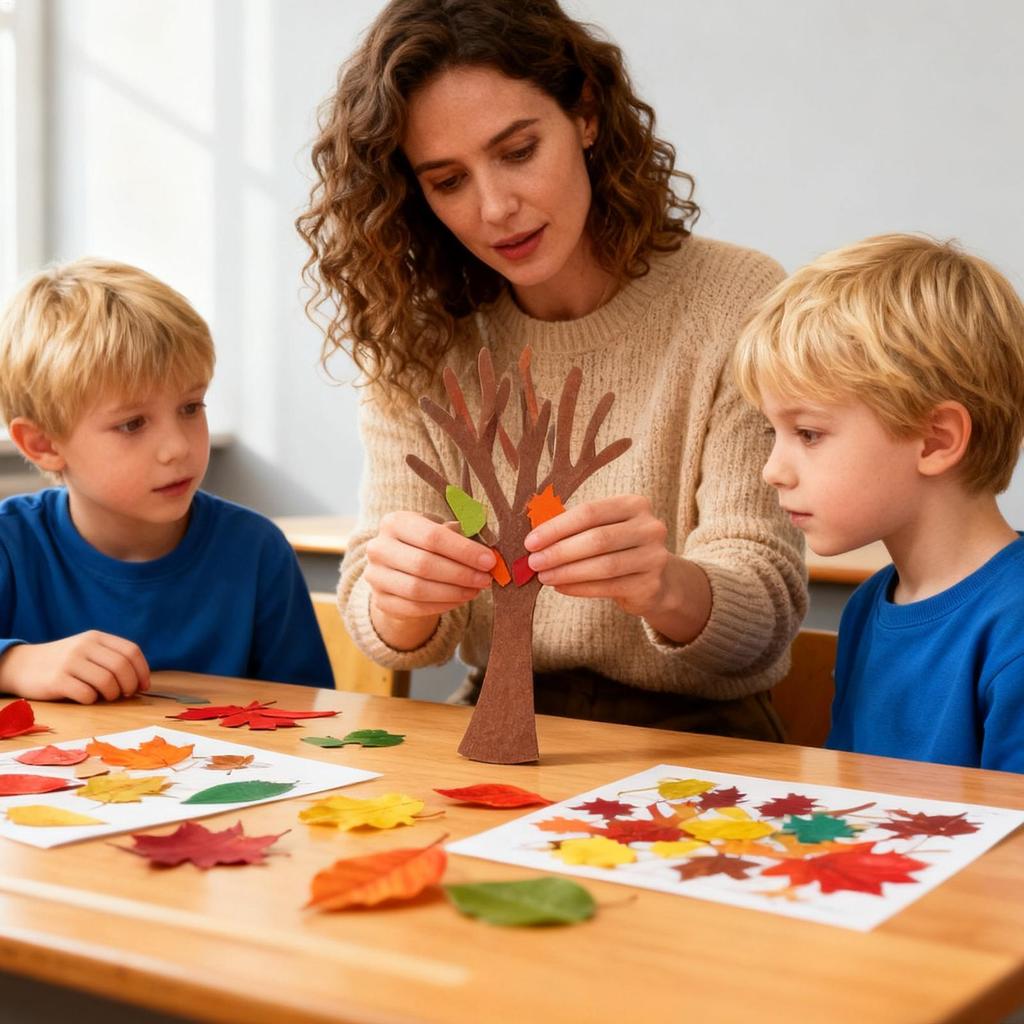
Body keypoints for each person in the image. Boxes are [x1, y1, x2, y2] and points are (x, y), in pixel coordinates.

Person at [296, 0, 806, 739]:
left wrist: (665, 586)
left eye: (518, 151)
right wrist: (400, 597)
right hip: (496, 724)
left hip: (705, 737)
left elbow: (765, 611)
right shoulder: (419, 341)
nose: (496, 207)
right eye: (447, 181)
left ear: (587, 114)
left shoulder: (737, 300)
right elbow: (396, 631)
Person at [733, 233, 1024, 771]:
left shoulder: (1014, 631)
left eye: (809, 434)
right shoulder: (870, 605)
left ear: (935, 440)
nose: (772, 470)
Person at [0, 258, 333, 702]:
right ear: (42, 443)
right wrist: (13, 662)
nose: (177, 447)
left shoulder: (256, 552)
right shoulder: (9, 544)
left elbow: (311, 716)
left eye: (191, 408)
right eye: (133, 424)